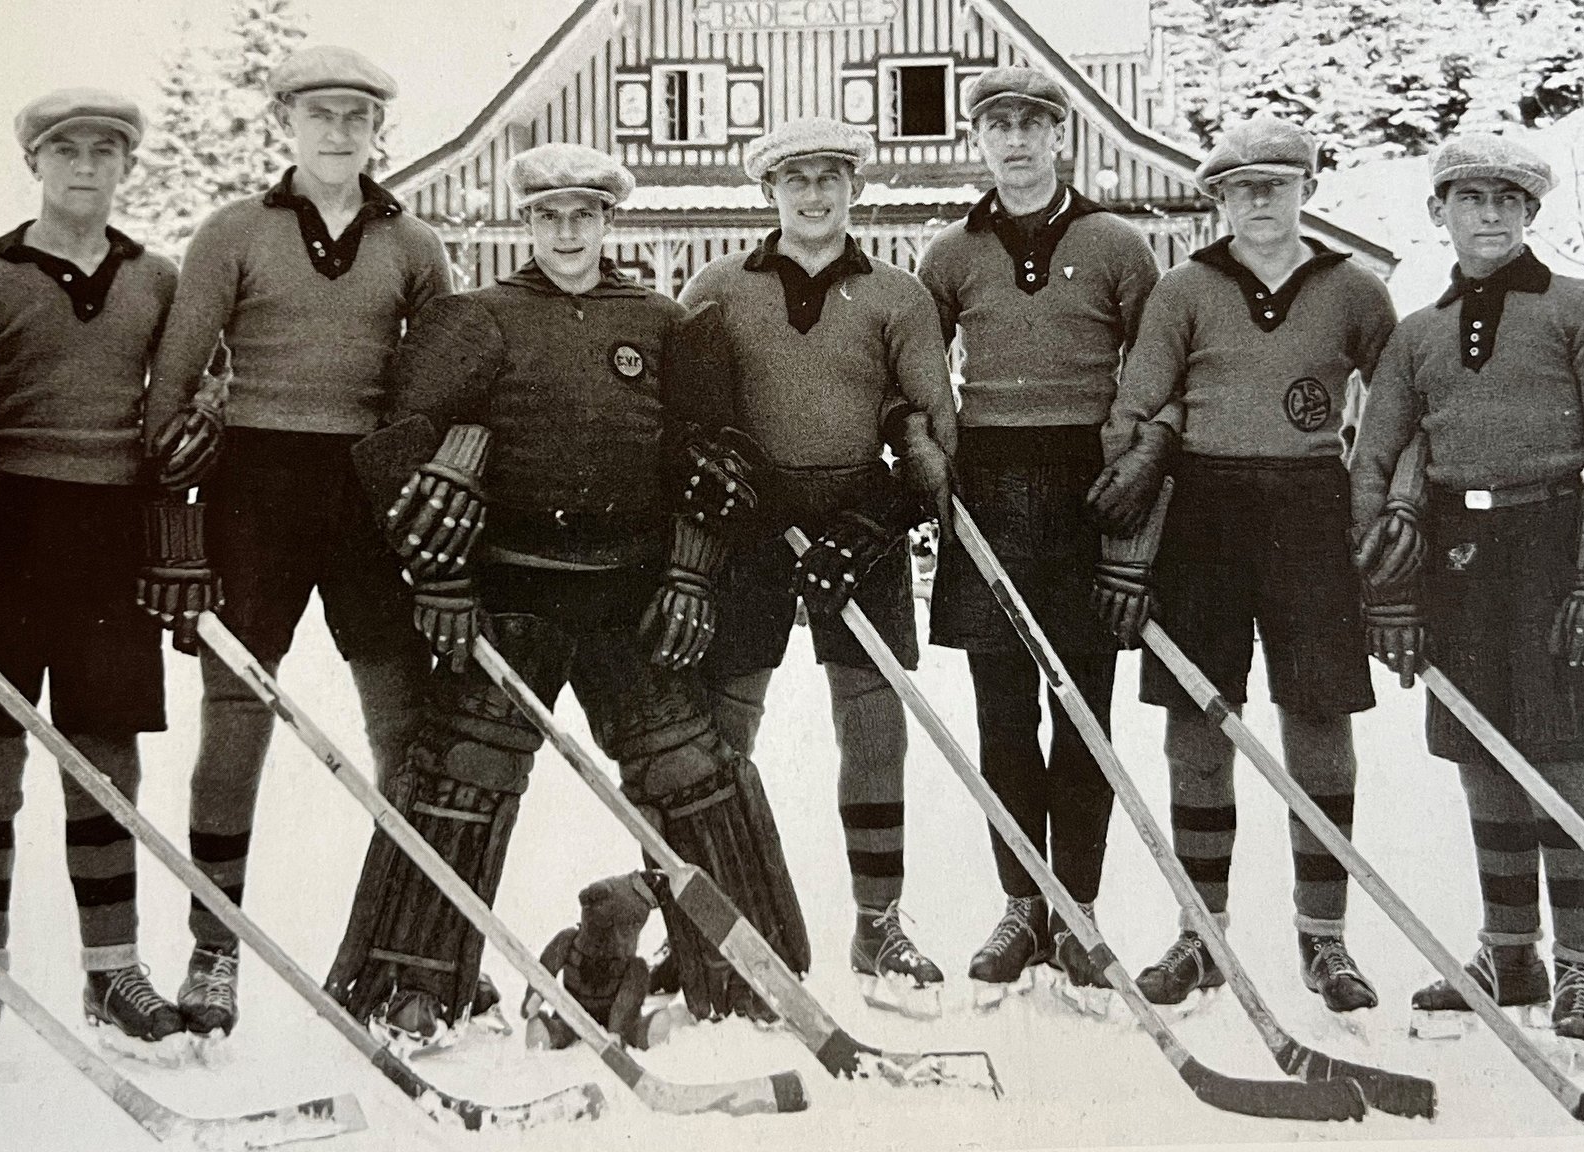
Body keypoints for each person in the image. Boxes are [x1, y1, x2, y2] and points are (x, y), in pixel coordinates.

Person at [326, 142, 808, 1041]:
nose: (567, 230)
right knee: (462, 776)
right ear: (528, 222)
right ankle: (413, 985)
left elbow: (710, 460)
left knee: (692, 775)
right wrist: (441, 577)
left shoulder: (664, 323)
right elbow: (402, 448)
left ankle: (744, 978)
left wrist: (691, 573)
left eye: (583, 214)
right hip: (512, 591)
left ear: (608, 220)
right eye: (549, 215)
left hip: (630, 593)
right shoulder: (479, 318)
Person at [138, 45, 451, 1037]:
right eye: (318, 113)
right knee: (236, 718)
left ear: (375, 130)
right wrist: (174, 514)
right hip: (253, 488)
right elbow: (174, 382)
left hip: (365, 489)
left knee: (401, 720)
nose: (337, 131)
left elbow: (440, 383)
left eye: (355, 115)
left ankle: (405, 946)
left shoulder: (414, 243)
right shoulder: (233, 231)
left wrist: (432, 487)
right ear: (287, 124)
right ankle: (212, 947)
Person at [1352, 134, 1584, 1042]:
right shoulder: (1417, 332)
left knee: (1562, 754)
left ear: (1531, 213)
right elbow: (1374, 459)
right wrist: (1390, 589)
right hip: (1456, 553)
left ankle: (1583, 968)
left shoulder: (1582, 308)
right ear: (1438, 213)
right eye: (1468, 198)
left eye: (1506, 200)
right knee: (1481, 753)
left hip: (1558, 540)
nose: (1489, 214)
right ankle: (1509, 952)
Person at [1100, 115, 1395, 1013]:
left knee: (1318, 721)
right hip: (1203, 514)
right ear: (1219, 199)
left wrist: (1380, 502)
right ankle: (1201, 931)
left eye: (1277, 184)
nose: (1260, 201)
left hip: (1311, 512)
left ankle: (1325, 939)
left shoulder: (1355, 289)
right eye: (1241, 188)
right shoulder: (1187, 288)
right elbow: (1137, 409)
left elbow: (1397, 404)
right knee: (1197, 724)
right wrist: (1129, 542)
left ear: (1306, 190)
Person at [0, 90, 185, 1057]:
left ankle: (113, 971)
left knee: (105, 758)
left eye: (104, 150)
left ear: (124, 167)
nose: (83, 165)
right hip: (4, 526)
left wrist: (182, 480)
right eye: (64, 149)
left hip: (111, 530)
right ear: (34, 162)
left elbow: (196, 394)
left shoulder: (157, 277)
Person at [681, 117, 955, 1006]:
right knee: (724, 726)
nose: (813, 194)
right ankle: (714, 922)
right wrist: (722, 482)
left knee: (873, 725)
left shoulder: (898, 296)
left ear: (855, 188)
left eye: (830, 177)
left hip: (856, 521)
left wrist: (879, 516)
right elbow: (692, 420)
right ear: (769, 192)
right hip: (749, 526)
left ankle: (879, 925)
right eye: (794, 179)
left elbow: (925, 429)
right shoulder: (715, 288)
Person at [916, 68, 1160, 995]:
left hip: (1088, 488)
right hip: (990, 481)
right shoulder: (950, 252)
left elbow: (1158, 362)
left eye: (1033, 124)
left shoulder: (1116, 245)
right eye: (997, 126)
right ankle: (1021, 903)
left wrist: (1137, 460)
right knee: (1003, 710)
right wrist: (924, 445)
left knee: (1083, 707)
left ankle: (1079, 910)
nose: (1015, 141)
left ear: (1061, 135)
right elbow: (918, 368)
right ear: (978, 140)